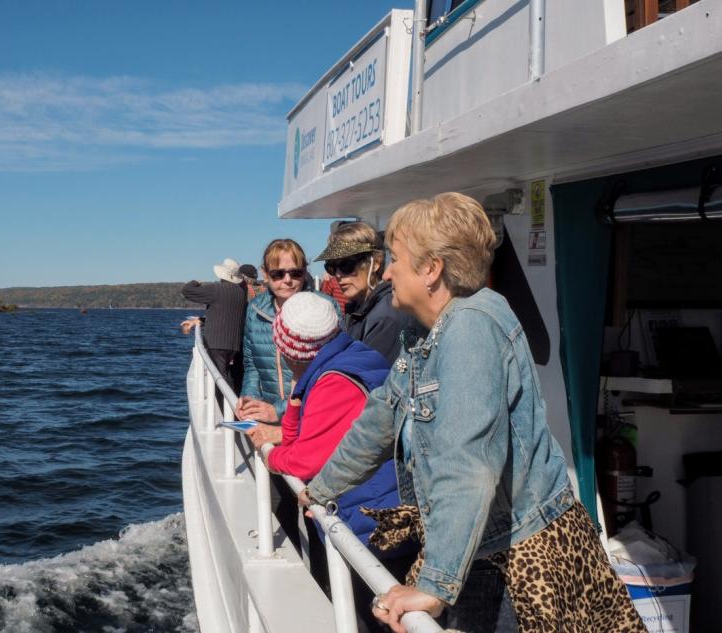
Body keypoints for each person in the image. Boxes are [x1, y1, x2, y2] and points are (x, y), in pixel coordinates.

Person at [300, 193, 645, 633]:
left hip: (516, 562)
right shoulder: (421, 331)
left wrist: (434, 585)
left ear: (431, 270)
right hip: (476, 547)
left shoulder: (471, 328)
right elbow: (383, 414)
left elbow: (468, 462)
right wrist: (324, 485)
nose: (386, 272)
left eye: (396, 259)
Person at [246, 292, 411, 632]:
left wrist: (271, 454)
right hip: (378, 511)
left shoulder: (335, 382)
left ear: (289, 350)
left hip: (373, 523)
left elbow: (304, 460)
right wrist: (295, 396)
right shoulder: (350, 358)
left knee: (369, 617)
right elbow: (303, 437)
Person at [236, 239, 337, 424]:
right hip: (267, 417)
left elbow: (329, 372)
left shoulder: (326, 308)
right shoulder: (255, 310)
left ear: (305, 272)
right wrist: (250, 399)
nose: (287, 280)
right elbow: (252, 365)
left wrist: (279, 410)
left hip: (311, 417)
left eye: (295, 273)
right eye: (278, 274)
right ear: (265, 274)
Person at [315, 221, 425, 365]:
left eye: (346, 265)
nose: (338, 274)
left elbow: (366, 375)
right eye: (332, 267)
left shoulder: (386, 317)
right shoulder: (358, 309)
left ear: (376, 263)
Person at [181, 257, 248, 395]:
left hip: (216, 342)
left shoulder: (216, 289)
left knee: (219, 379)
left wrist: (196, 282)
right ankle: (232, 405)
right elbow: (226, 314)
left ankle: (229, 409)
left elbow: (187, 290)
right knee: (226, 375)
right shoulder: (241, 293)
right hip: (233, 344)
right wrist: (202, 320)